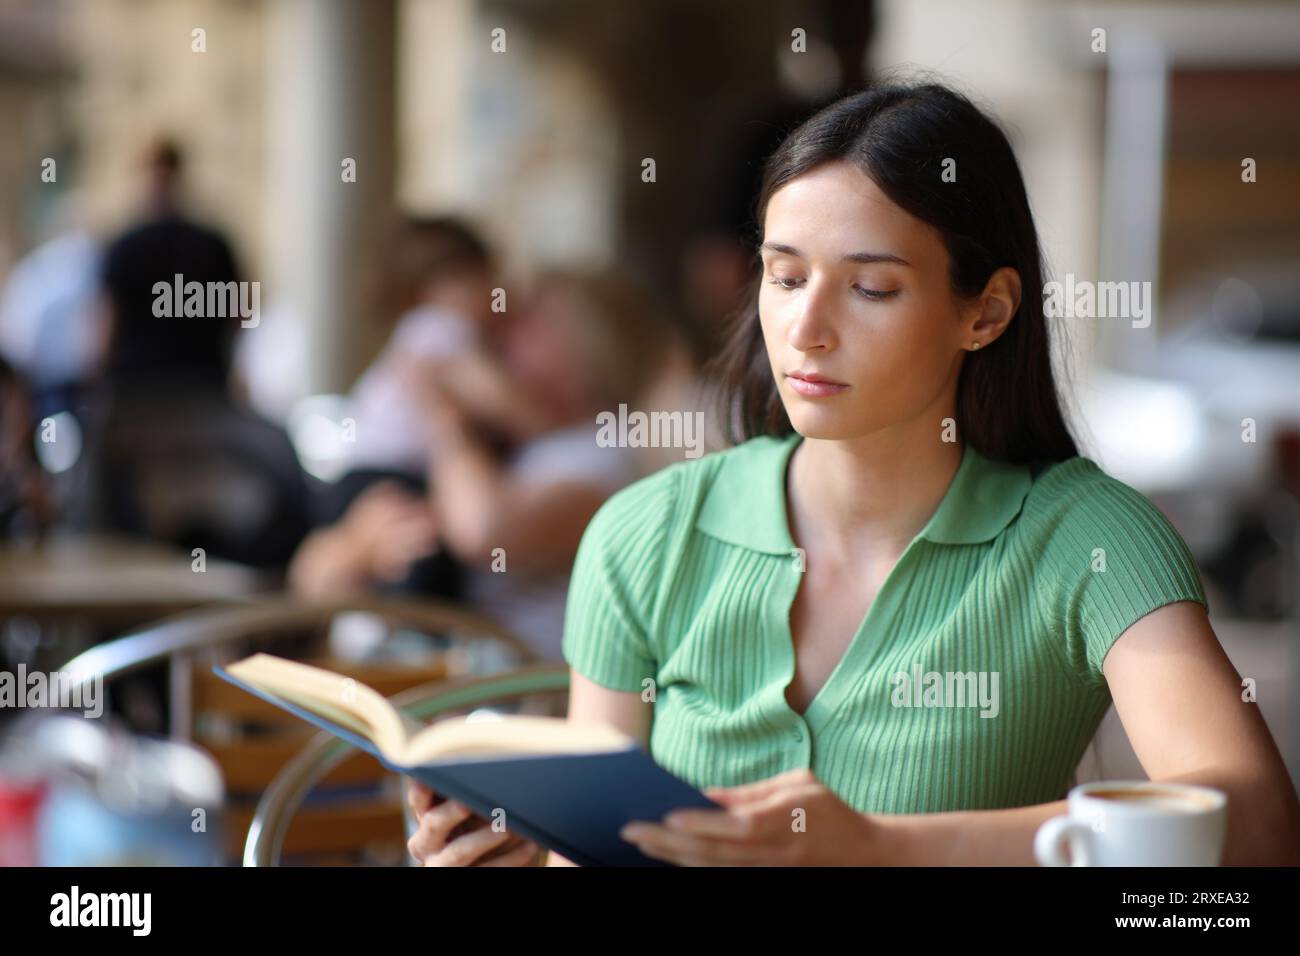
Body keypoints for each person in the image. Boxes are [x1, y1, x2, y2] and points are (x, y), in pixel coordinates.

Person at [406, 81, 1300, 867]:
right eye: (785, 277)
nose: (806, 328)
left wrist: (882, 850)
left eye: (870, 289)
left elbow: (1257, 828)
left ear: (985, 313)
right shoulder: (646, 533)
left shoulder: (1087, 541)